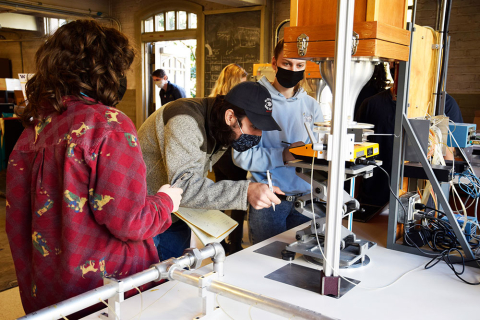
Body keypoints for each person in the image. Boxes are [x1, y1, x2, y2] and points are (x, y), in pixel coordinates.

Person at [5, 20, 183, 318]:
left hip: (47, 292)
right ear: (106, 69)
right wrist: (166, 202)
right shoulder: (108, 125)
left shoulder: (32, 130)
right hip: (106, 291)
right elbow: (130, 221)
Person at [138, 81, 283, 261]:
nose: (259, 135)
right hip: (145, 210)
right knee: (144, 283)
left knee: (173, 277)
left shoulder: (221, 126)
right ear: (230, 117)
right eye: (254, 126)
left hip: (174, 212)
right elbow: (184, 185)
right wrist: (246, 191)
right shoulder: (184, 119)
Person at [233, 39, 325, 244]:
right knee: (264, 261)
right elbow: (241, 156)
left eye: (299, 65)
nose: (293, 70)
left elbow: (319, 154)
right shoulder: (254, 100)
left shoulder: (312, 106)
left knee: (304, 261)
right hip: (269, 200)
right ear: (274, 63)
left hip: (307, 201)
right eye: (287, 64)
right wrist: (282, 155)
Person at [355, 64, 463, 206]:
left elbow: (447, 155)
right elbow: (357, 153)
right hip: (375, 198)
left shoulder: (444, 104)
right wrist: (355, 199)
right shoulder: (370, 104)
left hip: (423, 200)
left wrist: (440, 202)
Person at [210, 64, 248, 254]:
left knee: (221, 195)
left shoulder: (213, 100)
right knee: (239, 195)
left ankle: (218, 241)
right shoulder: (233, 103)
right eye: (242, 82)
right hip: (231, 154)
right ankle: (234, 243)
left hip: (217, 156)